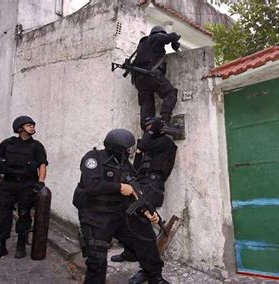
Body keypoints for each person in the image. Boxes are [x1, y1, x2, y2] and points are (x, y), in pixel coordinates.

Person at [73, 128, 168, 284]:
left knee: (146, 237)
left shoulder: (125, 165)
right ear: (116, 147)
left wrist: (146, 211)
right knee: (97, 260)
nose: (129, 152)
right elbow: (91, 185)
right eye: (127, 149)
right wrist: (119, 187)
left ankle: (154, 276)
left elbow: (135, 191)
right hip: (96, 216)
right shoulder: (93, 158)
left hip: (120, 213)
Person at [0, 115, 48, 263]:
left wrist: (41, 182)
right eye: (28, 125)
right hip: (8, 184)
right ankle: (0, 246)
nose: (32, 127)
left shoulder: (37, 146)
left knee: (24, 214)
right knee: (2, 215)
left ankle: (21, 244)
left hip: (27, 184)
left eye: (32, 125)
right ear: (20, 128)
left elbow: (42, 164)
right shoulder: (7, 143)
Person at [111, 117, 177, 263]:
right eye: (146, 128)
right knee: (129, 220)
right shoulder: (148, 145)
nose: (147, 130)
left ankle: (148, 266)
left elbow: (145, 144)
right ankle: (130, 253)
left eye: (150, 128)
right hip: (140, 183)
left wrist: (148, 137)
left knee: (143, 226)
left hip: (152, 186)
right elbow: (136, 166)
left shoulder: (166, 143)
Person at [131, 25, 181, 129]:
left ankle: (147, 127)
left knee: (147, 102)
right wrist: (174, 40)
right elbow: (169, 37)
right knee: (170, 93)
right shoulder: (155, 38)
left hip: (139, 79)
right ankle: (164, 120)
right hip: (151, 75)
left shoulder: (142, 44)